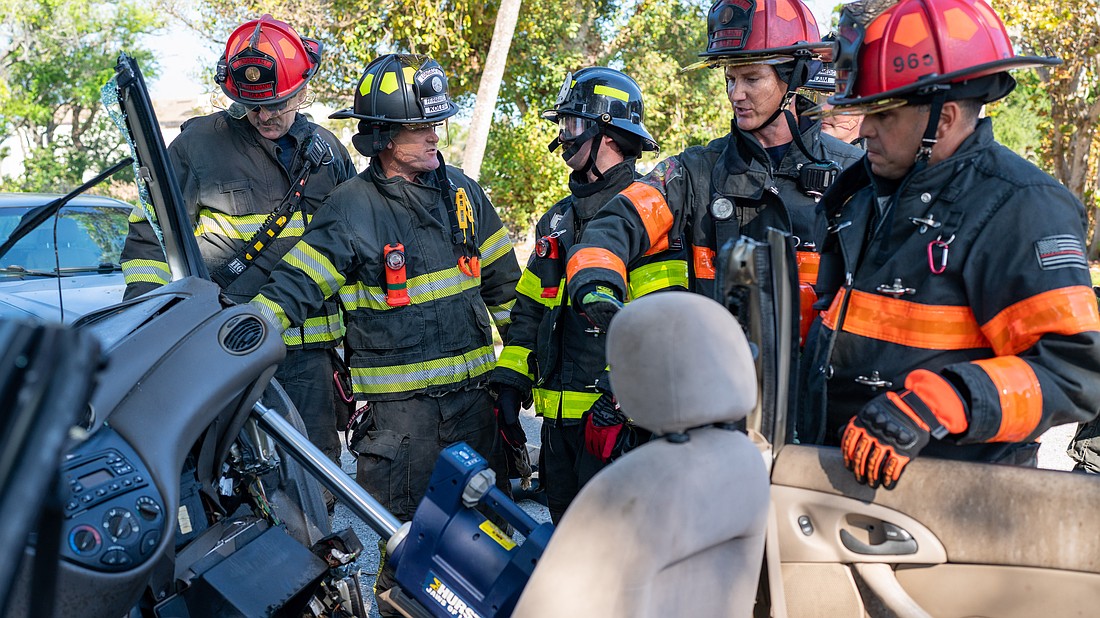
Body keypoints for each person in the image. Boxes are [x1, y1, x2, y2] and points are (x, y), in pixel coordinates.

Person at [247, 52, 520, 613]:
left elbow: (508, 292)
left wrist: (518, 375)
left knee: (491, 551)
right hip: (402, 427)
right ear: (383, 136)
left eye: (436, 124)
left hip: (476, 411)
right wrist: (243, 337)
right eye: (420, 127)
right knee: (407, 560)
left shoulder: (464, 194)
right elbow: (297, 286)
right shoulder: (351, 208)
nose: (434, 136)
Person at [799, 0, 1100, 489]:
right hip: (839, 482)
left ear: (943, 118)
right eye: (863, 109)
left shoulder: (1021, 206)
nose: (865, 128)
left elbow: (1075, 373)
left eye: (883, 113)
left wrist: (940, 403)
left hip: (957, 501)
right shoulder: (859, 194)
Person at [120, 15, 356, 477]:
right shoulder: (197, 146)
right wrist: (150, 323)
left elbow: (353, 252)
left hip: (311, 356)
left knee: (316, 478)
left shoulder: (328, 153)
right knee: (235, 477)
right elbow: (149, 235)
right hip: (229, 348)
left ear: (303, 91)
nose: (266, 116)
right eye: (252, 105)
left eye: (278, 103)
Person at [563, 0, 864, 331]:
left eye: (751, 78)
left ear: (796, 75)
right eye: (730, 78)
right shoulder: (694, 172)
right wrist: (596, 280)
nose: (736, 94)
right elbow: (619, 221)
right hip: (719, 362)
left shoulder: (853, 172)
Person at [489, 68, 683, 524]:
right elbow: (531, 310)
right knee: (565, 540)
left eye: (572, 124)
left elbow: (662, 322)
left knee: (615, 546)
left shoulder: (647, 218)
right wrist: (511, 381)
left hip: (616, 427)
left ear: (608, 135)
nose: (563, 135)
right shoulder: (558, 220)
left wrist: (620, 399)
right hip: (558, 428)